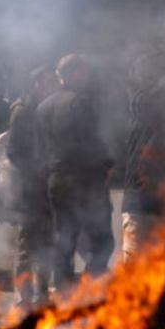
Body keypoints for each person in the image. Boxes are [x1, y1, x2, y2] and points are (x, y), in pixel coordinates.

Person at [37, 53, 114, 288]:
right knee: (102, 240)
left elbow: (40, 150)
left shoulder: (43, 106)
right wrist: (107, 165)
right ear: (74, 73)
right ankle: (93, 288)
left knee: (64, 239)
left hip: (56, 181)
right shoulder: (79, 102)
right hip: (84, 182)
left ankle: (62, 293)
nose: (86, 76)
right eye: (83, 72)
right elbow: (90, 143)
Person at [6, 66, 57, 306]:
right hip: (28, 192)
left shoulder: (44, 109)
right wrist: (38, 169)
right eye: (48, 82)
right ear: (36, 83)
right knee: (27, 246)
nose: (52, 87)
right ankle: (23, 297)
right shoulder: (22, 111)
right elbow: (14, 151)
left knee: (46, 244)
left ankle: (42, 294)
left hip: (45, 190)